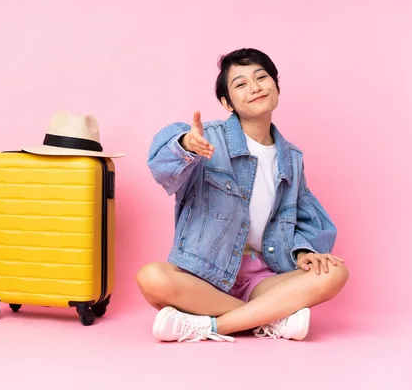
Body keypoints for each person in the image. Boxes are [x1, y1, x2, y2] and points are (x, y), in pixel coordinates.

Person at [137, 48, 349, 343]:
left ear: (276, 86)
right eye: (240, 84)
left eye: (261, 77)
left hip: (263, 278)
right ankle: (269, 318)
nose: (255, 87)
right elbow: (161, 166)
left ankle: (211, 327)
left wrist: (303, 253)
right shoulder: (206, 139)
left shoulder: (292, 157)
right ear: (227, 102)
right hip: (205, 276)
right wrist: (185, 144)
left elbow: (304, 215)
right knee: (152, 277)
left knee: (335, 272)